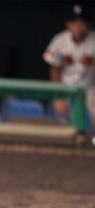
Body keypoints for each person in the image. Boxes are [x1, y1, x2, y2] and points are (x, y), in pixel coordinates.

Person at [43, 4, 95, 135]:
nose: (78, 26)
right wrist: (57, 96)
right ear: (68, 24)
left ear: (88, 24)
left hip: (89, 90)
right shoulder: (60, 40)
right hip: (65, 89)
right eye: (74, 22)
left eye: (82, 22)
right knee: (60, 123)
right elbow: (54, 68)